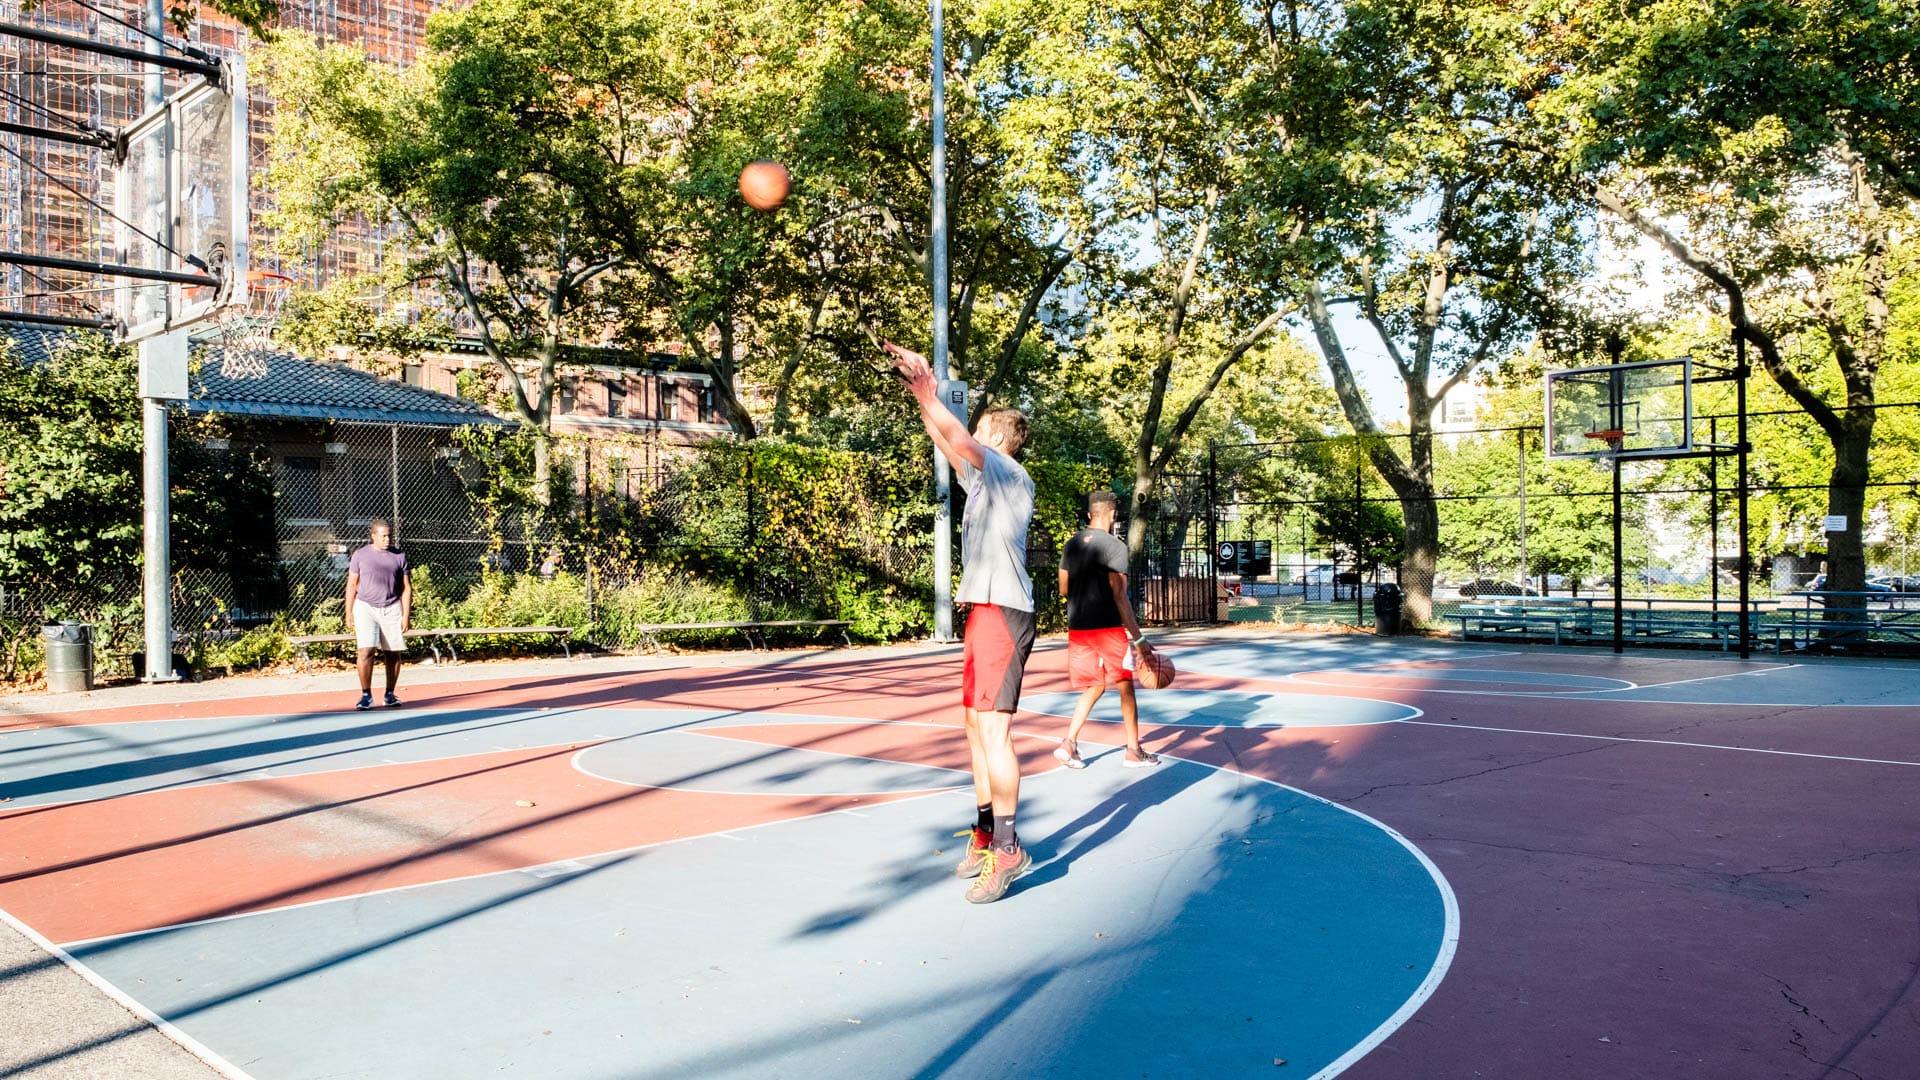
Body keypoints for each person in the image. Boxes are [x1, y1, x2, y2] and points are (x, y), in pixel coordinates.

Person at [885, 339, 1036, 904]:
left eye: (981, 426)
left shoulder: (1010, 474)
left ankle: (1009, 846)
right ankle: (983, 830)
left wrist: (930, 387)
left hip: (1005, 608)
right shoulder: (983, 484)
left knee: (994, 731)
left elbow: (962, 440)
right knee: (974, 727)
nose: (971, 430)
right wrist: (920, 398)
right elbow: (948, 439)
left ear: (998, 438)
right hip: (983, 609)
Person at [1055, 491, 1162, 769]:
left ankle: (1069, 743)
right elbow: (1120, 596)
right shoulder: (1115, 546)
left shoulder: (1072, 544)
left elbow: (1063, 588)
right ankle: (1133, 751)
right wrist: (1139, 639)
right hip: (1107, 628)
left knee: (1095, 685)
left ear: (1091, 513)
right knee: (1125, 686)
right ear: (1113, 514)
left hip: (1078, 628)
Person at [344, 517, 412, 711]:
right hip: (365, 607)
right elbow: (351, 585)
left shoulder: (399, 556)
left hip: (391, 607)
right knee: (366, 650)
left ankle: (390, 694)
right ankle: (366, 695)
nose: (387, 539)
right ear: (373, 535)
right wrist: (349, 611)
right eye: (383, 536)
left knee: (393, 653)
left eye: (389, 536)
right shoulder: (360, 555)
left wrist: (405, 615)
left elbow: (406, 588)